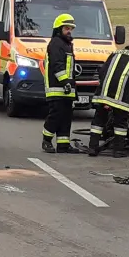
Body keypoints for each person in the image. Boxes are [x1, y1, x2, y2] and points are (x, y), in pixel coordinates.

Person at [87, 35, 129, 157]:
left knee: (98, 120)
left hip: (103, 93)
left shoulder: (116, 53)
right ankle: (118, 151)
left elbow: (102, 71)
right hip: (121, 97)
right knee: (120, 124)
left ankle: (92, 148)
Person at [41, 13, 80, 153]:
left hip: (67, 88)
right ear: (59, 29)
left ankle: (63, 144)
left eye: (71, 28)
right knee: (56, 115)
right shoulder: (56, 43)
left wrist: (70, 85)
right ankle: (46, 141)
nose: (69, 31)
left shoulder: (67, 44)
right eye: (66, 28)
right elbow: (57, 65)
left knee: (66, 117)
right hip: (57, 88)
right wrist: (65, 82)